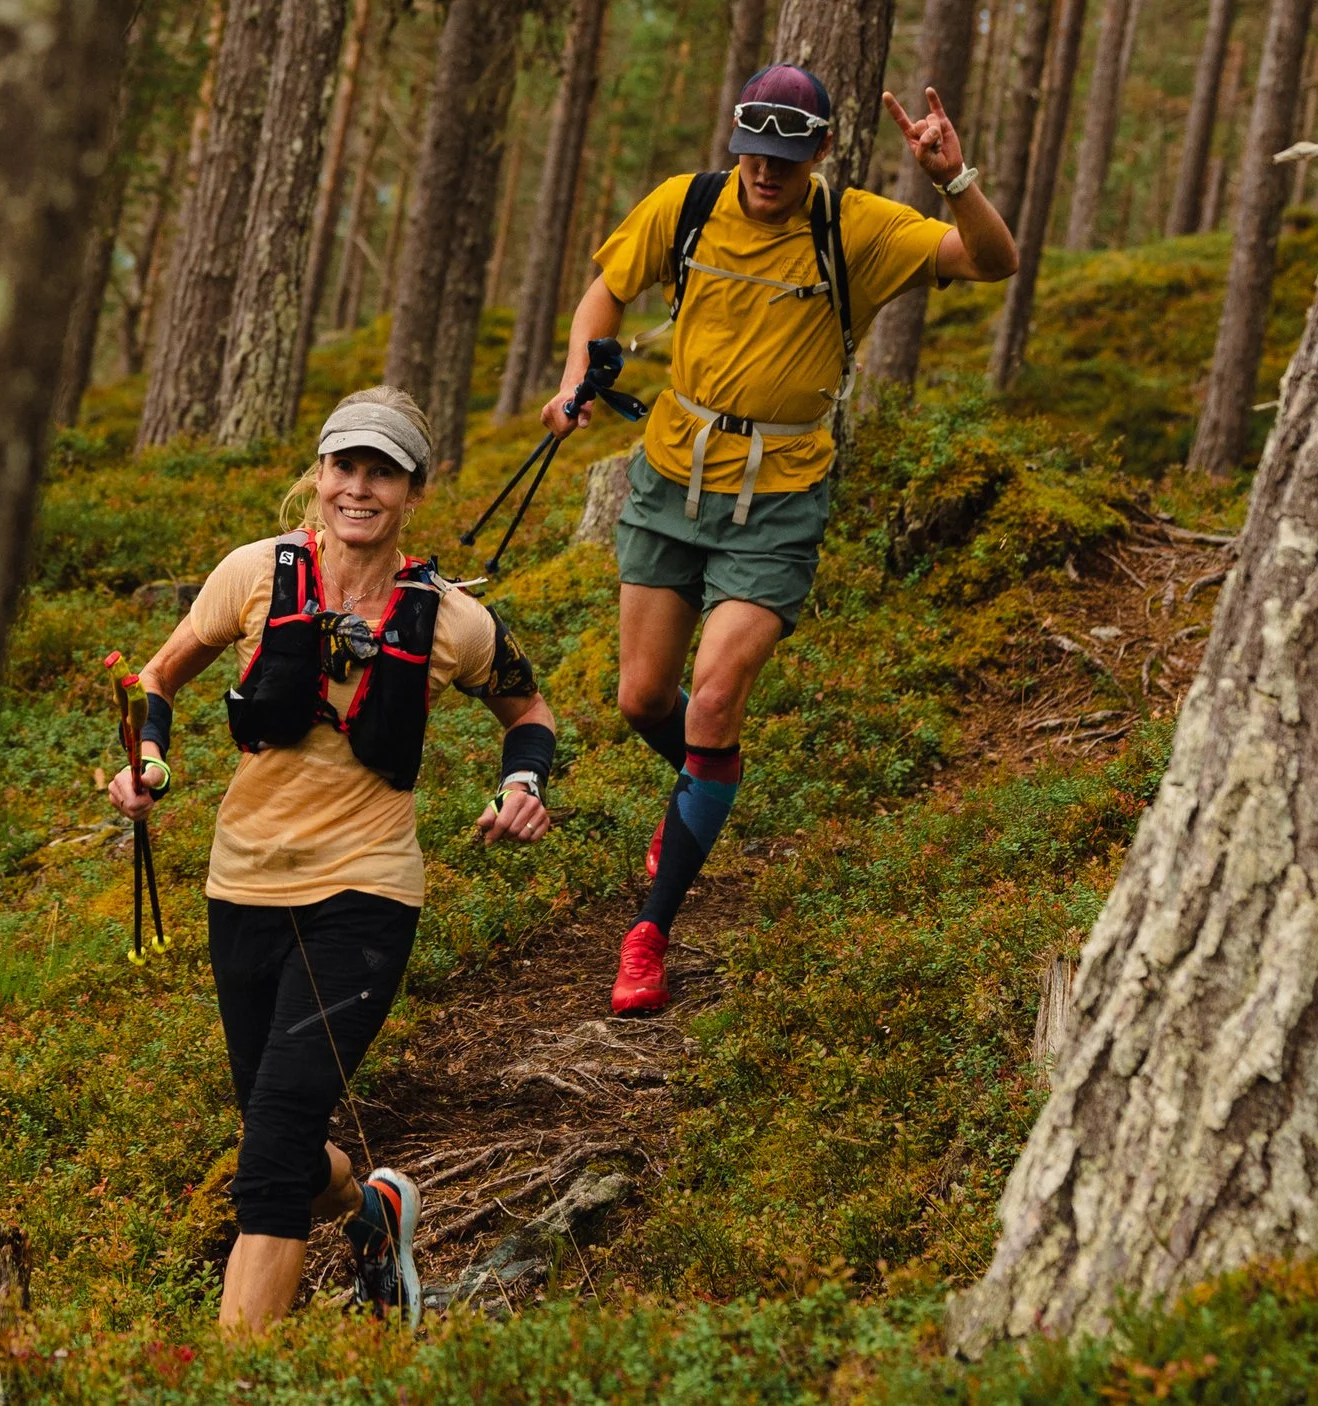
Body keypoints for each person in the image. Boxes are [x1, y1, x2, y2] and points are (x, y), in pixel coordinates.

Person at [541, 65, 1019, 1016]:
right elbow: (604, 295)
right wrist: (575, 378)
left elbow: (993, 264)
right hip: (670, 478)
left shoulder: (859, 228)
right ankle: (700, 792)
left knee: (712, 704)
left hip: (782, 496)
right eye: (757, 151)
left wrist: (954, 182)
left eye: (789, 155)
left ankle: (650, 930)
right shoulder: (688, 205)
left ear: (821, 153)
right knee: (643, 699)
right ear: (738, 144)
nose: (768, 171)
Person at [109, 386, 559, 1332]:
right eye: (344, 466)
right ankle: (376, 1212)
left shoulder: (449, 620)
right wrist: (146, 757)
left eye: (381, 472)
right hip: (240, 888)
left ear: (413, 491)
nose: (358, 488)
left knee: (265, 1167)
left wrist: (524, 787)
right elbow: (156, 677)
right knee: (283, 1142)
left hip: (366, 895)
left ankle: (242, 1383)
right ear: (318, 477)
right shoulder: (253, 575)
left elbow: (531, 713)